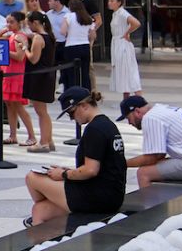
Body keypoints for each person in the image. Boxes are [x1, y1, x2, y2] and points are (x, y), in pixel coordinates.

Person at [26, 87, 128, 226]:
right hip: (110, 195)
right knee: (39, 211)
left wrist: (64, 174)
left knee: (32, 178)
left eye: (71, 113)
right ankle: (46, 238)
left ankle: (66, 220)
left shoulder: (95, 129)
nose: (72, 118)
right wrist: (68, 171)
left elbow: (91, 170)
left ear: (84, 106)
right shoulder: (107, 125)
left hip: (98, 196)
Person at [120, 93, 182, 189]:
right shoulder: (161, 110)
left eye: (128, 118)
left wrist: (121, 163)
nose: (129, 123)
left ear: (137, 112)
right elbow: (159, 155)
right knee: (158, 164)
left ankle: (151, 200)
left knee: (143, 173)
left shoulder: (150, 118)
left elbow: (151, 158)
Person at [22, 12, 59, 151]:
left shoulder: (39, 38)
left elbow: (33, 58)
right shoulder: (49, 36)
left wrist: (24, 47)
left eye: (29, 24)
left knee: (41, 111)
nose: (29, 27)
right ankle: (49, 140)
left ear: (35, 23)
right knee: (43, 111)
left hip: (39, 77)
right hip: (46, 75)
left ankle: (43, 142)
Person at [0, 12, 31, 148]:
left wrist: (4, 50)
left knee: (18, 106)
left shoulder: (19, 36)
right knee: (9, 105)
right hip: (7, 72)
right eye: (7, 22)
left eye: (11, 22)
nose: (8, 24)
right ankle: (13, 135)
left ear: (19, 23)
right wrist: (3, 31)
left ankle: (31, 135)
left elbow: (19, 56)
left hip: (15, 74)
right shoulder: (12, 35)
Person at [108, 0, 141, 94]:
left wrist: (127, 32)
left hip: (122, 44)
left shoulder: (122, 13)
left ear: (119, 2)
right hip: (117, 44)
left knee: (129, 72)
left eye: (112, 1)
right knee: (123, 74)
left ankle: (139, 96)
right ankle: (126, 97)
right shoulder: (115, 14)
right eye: (109, 1)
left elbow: (136, 23)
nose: (109, 3)